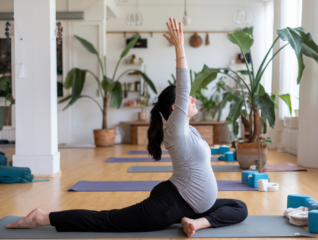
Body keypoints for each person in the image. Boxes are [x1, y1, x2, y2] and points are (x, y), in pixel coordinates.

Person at [6, 18, 247, 237]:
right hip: (170, 205)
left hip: (193, 207)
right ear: (176, 107)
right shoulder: (176, 130)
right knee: (107, 220)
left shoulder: (190, 130)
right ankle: (42, 217)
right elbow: (183, 87)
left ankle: (198, 223)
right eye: (188, 99)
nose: (193, 99)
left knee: (239, 207)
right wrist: (179, 47)